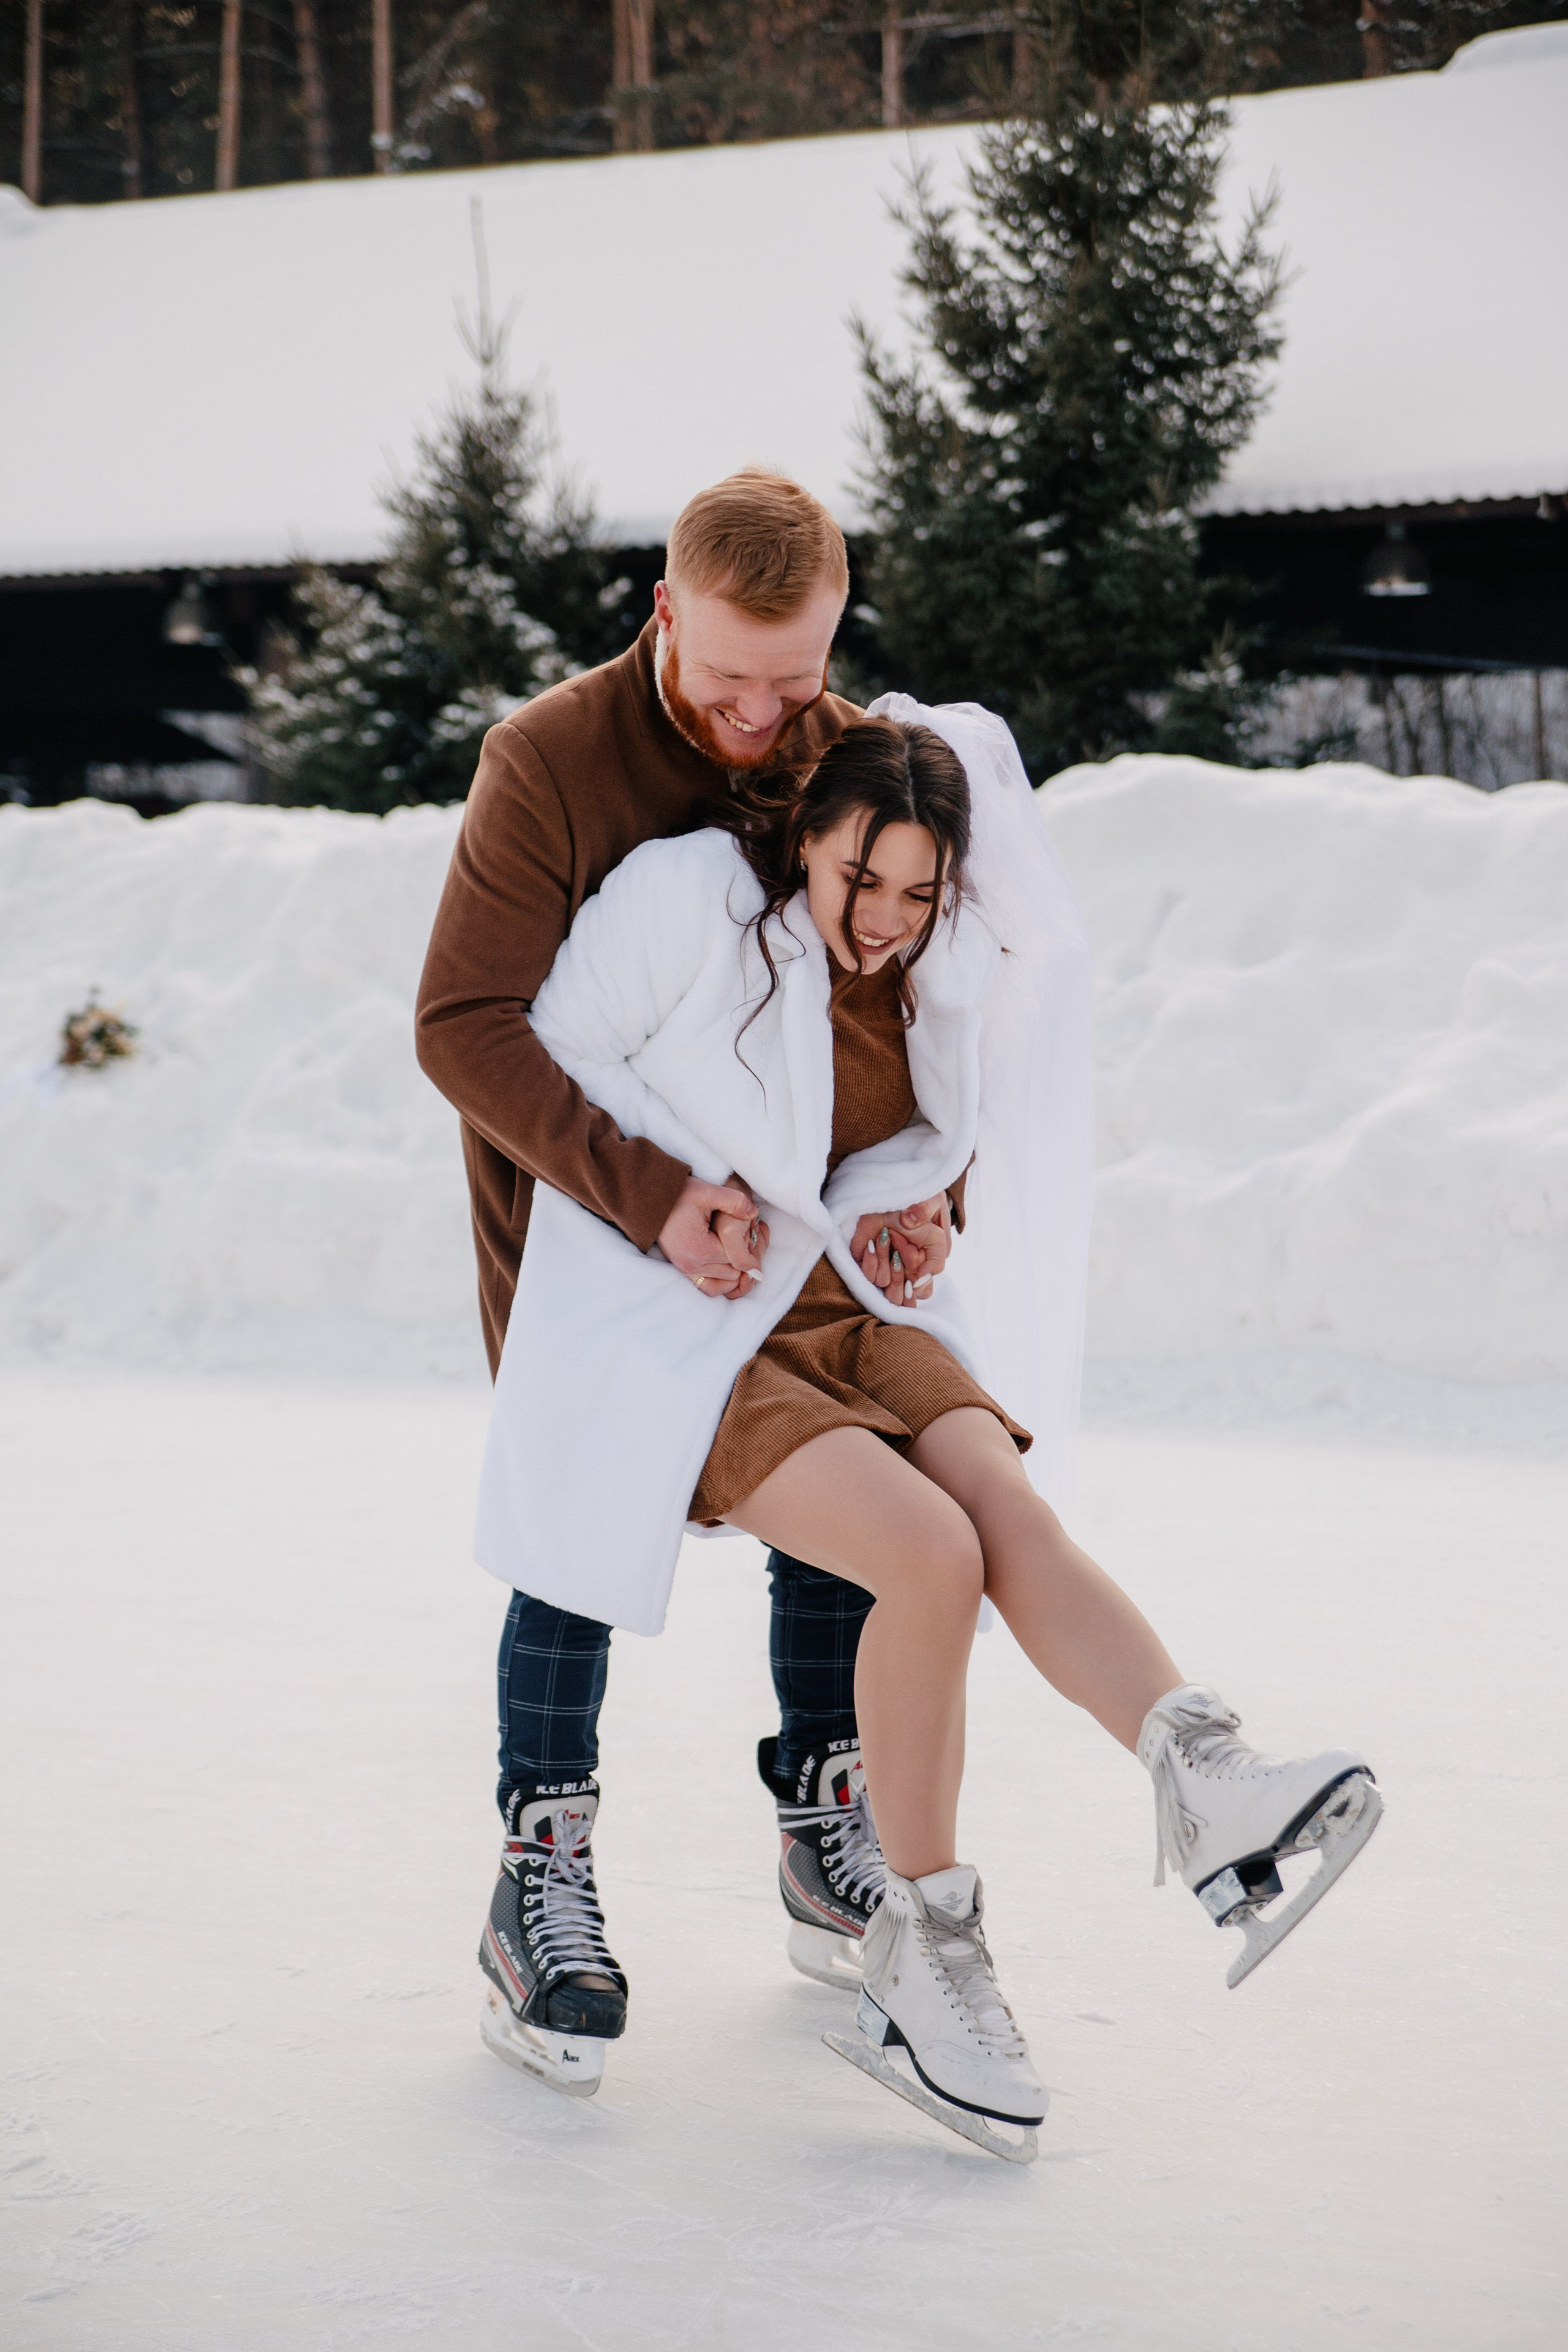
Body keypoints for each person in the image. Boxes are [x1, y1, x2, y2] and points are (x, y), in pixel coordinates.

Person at [473, 702, 1383, 2154]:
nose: (885, 919)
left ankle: (1199, 1775)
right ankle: (928, 1945)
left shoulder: (930, 973)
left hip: (840, 1301)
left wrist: (915, 1204)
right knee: (926, 1554)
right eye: (860, 877)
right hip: (693, 1328)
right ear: (805, 833)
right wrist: (658, 1201)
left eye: (917, 891)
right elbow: (542, 1057)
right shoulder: (687, 901)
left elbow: (916, 1136)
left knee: (1000, 1504)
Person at [415, 470, 958, 2087]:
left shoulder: (844, 754)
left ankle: (822, 1813)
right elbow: (462, 1023)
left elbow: (909, 990)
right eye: (724, 679)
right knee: (585, 1508)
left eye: (791, 684)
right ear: (665, 609)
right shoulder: (554, 758)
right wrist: (652, 1200)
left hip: (789, 1234)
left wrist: (931, 1182)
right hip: (594, 1216)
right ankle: (542, 1869)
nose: (756, 718)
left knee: (840, 1485)